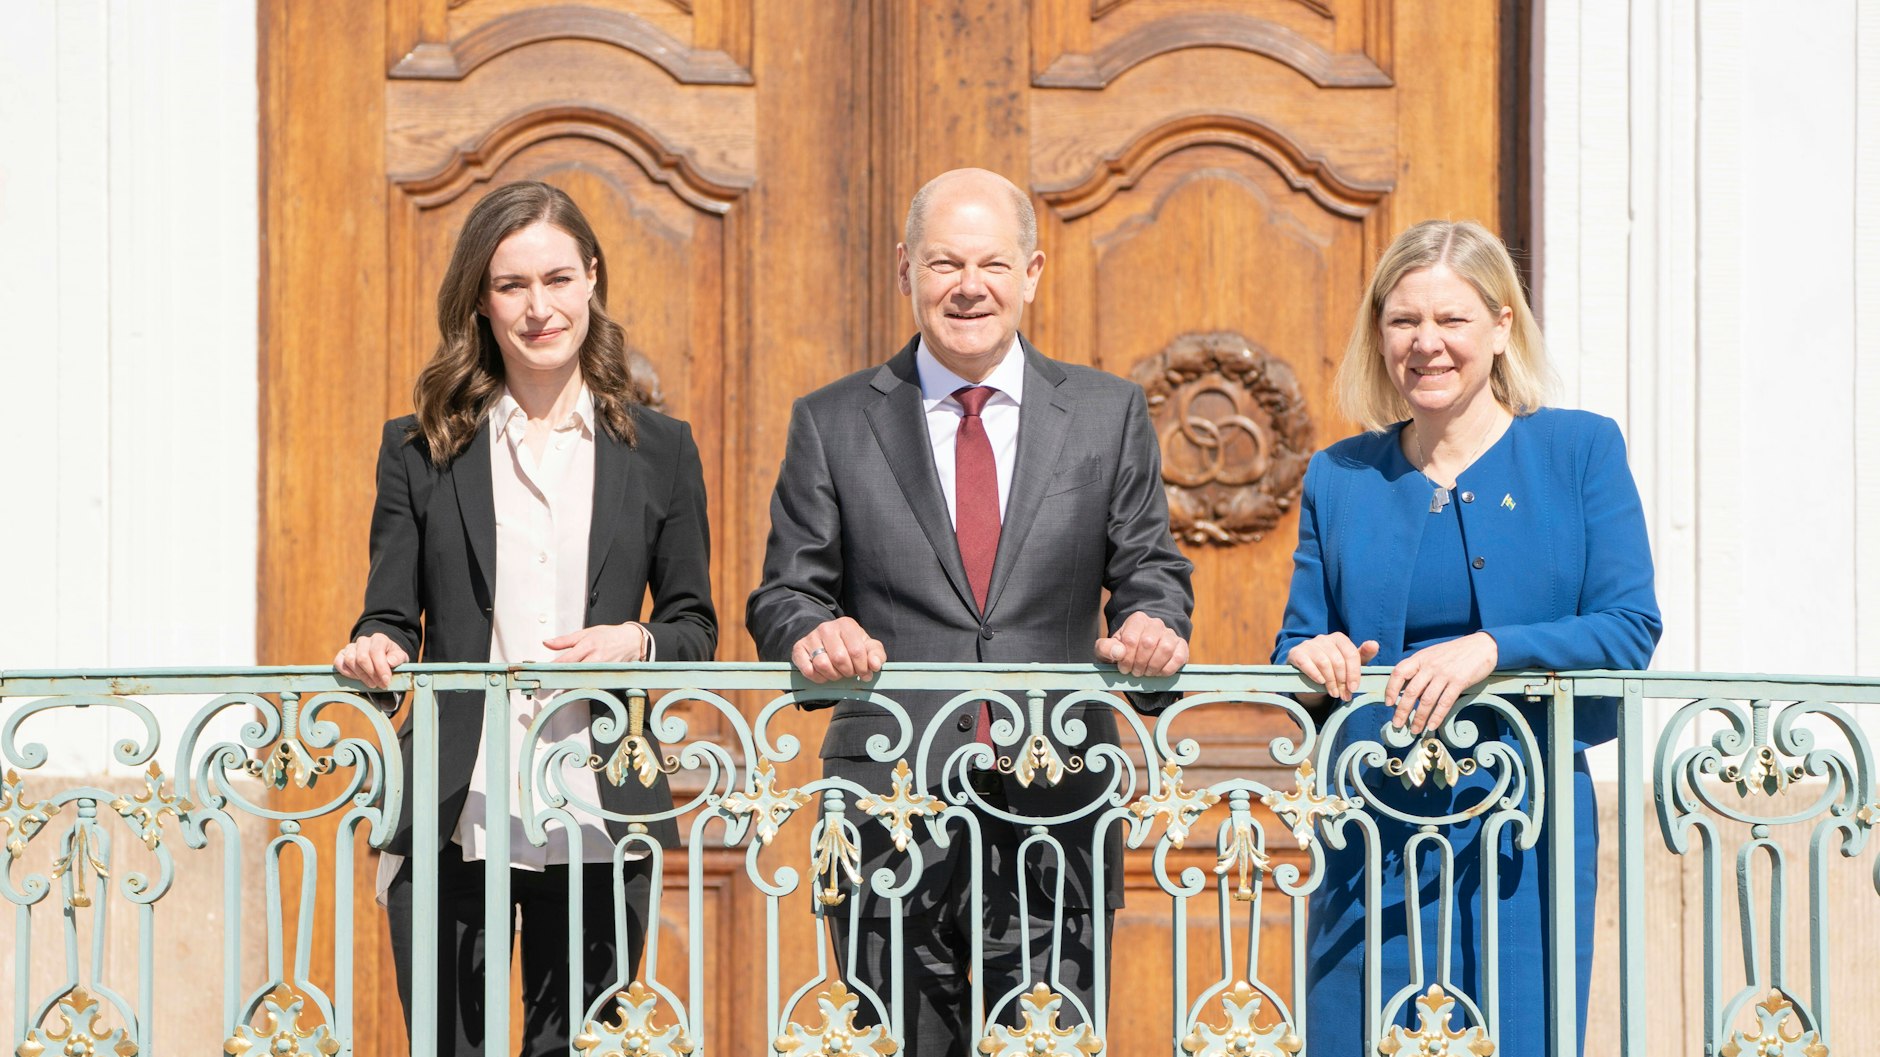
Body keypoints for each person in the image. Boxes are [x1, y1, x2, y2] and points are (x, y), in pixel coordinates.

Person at [746, 167, 1194, 1056]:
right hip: (887, 806)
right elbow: (784, 591)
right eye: (946, 261)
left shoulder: (1107, 413)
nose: (968, 286)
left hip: (1058, 807)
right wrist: (811, 629)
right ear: (906, 268)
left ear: (1032, 272)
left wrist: (1153, 623)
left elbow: (1151, 566)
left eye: (992, 263)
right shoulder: (831, 421)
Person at [333, 181, 716, 1056]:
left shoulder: (663, 450)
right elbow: (389, 616)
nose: (539, 308)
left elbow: (694, 623)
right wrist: (375, 651)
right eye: (512, 286)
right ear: (480, 298)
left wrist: (636, 640)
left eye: (556, 279)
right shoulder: (419, 444)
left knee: (578, 1046)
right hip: (451, 800)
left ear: (592, 279)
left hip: (601, 800)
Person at [1273, 219, 1660, 1056]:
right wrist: (1313, 658)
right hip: (1370, 816)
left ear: (1500, 326)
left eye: (1450, 320)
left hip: (1526, 819)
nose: (1426, 344)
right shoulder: (1340, 474)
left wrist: (1494, 646)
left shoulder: (1579, 449)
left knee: (1519, 1030)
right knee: (1356, 1034)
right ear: (1379, 336)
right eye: (1404, 321)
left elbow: (1629, 629)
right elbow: (1296, 643)